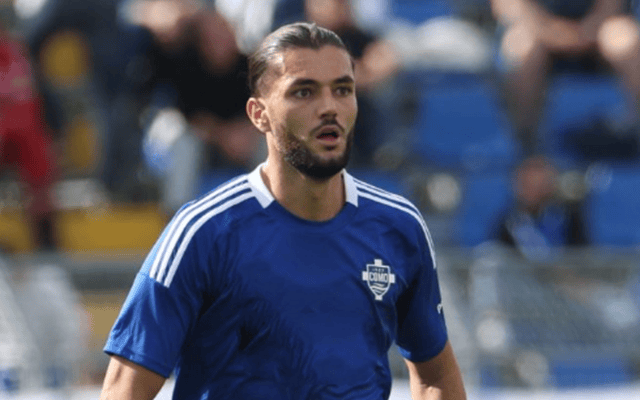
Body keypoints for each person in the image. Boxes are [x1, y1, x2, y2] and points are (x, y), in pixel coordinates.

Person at [99, 22, 466, 400]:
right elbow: (124, 391)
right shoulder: (204, 232)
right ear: (258, 114)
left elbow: (436, 375)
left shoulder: (399, 226)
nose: (329, 107)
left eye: (343, 89)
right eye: (304, 92)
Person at [490, 0, 640, 153]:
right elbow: (508, 5)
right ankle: (528, 150)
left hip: (598, 29)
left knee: (625, 37)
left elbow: (613, 6)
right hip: (538, 31)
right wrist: (553, 32)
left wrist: (587, 31)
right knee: (519, 47)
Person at [495, 155, 589, 260]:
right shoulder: (509, 225)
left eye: (537, 185)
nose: (531, 192)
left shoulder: (568, 219)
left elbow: (581, 255)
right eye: (526, 185)